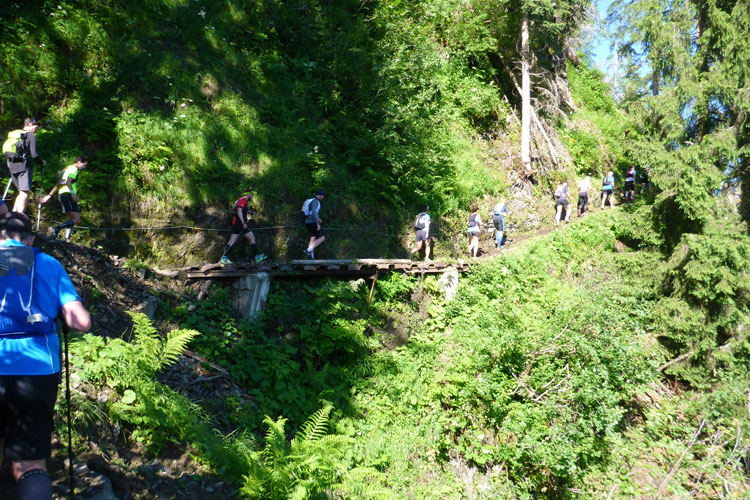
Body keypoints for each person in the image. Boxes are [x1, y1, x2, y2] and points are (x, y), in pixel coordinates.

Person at [0, 212, 91, 500]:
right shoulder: (48, 264)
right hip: (36, 371)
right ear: (30, 239)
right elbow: (80, 323)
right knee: (30, 465)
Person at [2, 118, 47, 214]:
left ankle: (14, 215)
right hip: (24, 167)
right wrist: (42, 162)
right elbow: (34, 154)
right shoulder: (30, 135)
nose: (37, 130)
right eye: (36, 127)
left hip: (12, 166)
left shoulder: (16, 134)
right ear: (30, 124)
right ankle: (19, 216)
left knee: (21, 192)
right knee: (24, 193)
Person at [41, 157, 88, 241]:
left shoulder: (68, 169)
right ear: (79, 162)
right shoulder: (74, 169)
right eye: (84, 165)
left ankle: (67, 238)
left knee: (71, 219)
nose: (84, 167)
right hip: (68, 195)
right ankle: (56, 228)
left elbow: (59, 182)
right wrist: (73, 194)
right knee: (76, 219)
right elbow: (68, 181)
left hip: (62, 195)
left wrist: (49, 195)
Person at [219, 192, 267, 264]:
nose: (252, 196)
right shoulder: (243, 200)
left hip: (236, 224)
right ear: (248, 194)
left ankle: (223, 259)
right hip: (240, 224)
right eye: (252, 195)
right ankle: (257, 258)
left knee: (232, 241)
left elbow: (242, 210)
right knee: (252, 238)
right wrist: (243, 223)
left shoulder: (242, 200)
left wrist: (250, 213)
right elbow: (239, 211)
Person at [302, 190, 325, 259]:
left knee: (313, 237)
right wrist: (318, 224)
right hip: (313, 222)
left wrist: (318, 218)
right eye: (322, 195)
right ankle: (308, 250)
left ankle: (311, 257)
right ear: (319, 195)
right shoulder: (316, 201)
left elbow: (310, 212)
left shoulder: (311, 201)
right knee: (322, 237)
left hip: (308, 222)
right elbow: (314, 212)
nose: (323, 197)